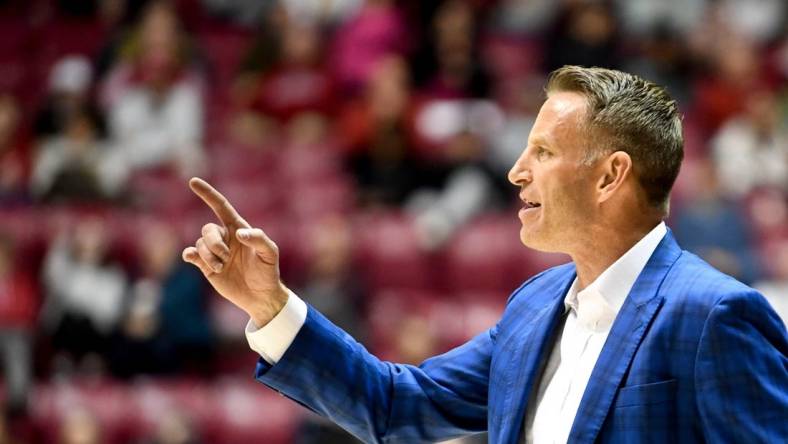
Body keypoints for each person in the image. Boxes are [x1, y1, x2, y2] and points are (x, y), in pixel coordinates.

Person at [182, 66, 788, 443]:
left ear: (611, 176)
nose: (516, 171)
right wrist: (270, 305)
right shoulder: (533, 305)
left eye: (543, 152)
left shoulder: (715, 315)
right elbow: (395, 407)